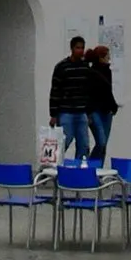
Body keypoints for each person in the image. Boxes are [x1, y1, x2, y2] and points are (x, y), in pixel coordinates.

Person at [47, 36, 99, 164]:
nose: (80, 51)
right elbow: (55, 90)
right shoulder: (62, 67)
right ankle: (53, 164)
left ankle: (79, 168)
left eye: (82, 48)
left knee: (84, 144)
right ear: (71, 48)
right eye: (77, 48)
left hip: (81, 111)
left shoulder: (86, 67)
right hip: (66, 111)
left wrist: (89, 111)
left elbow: (89, 91)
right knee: (65, 140)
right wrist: (53, 114)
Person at [85, 45, 116, 164]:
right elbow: (89, 93)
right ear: (101, 57)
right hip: (95, 110)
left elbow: (108, 92)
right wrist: (88, 112)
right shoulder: (91, 73)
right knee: (101, 142)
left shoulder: (107, 71)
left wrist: (113, 107)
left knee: (103, 146)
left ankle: (99, 168)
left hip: (107, 111)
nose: (109, 58)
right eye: (107, 55)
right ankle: (91, 166)